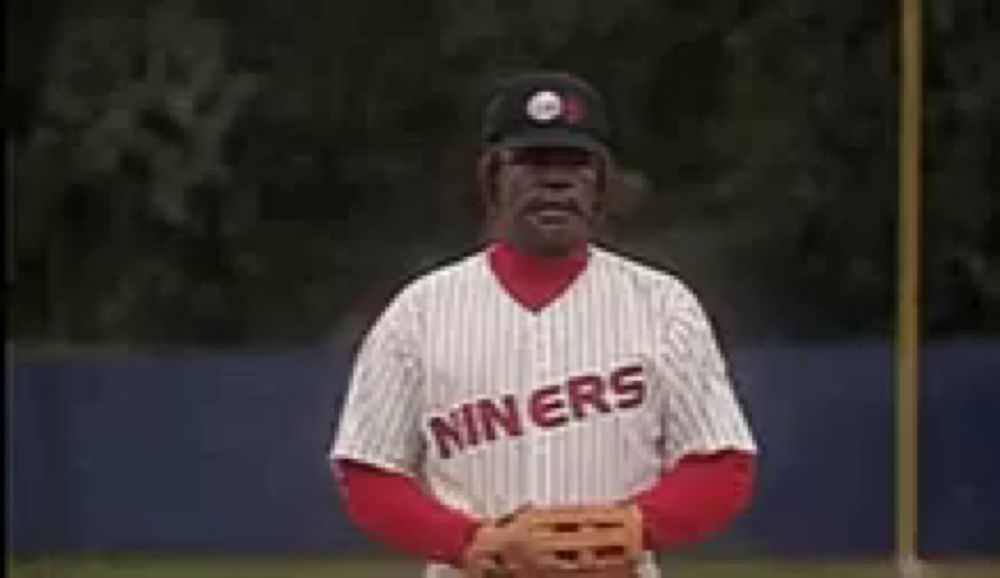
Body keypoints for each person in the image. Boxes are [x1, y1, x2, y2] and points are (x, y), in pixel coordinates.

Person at [330, 71, 758, 578]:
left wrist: (642, 524)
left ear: (601, 184)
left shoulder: (663, 305)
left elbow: (723, 462)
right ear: (492, 179)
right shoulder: (419, 312)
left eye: (576, 163)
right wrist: (470, 542)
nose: (555, 180)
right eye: (532, 162)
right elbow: (368, 471)